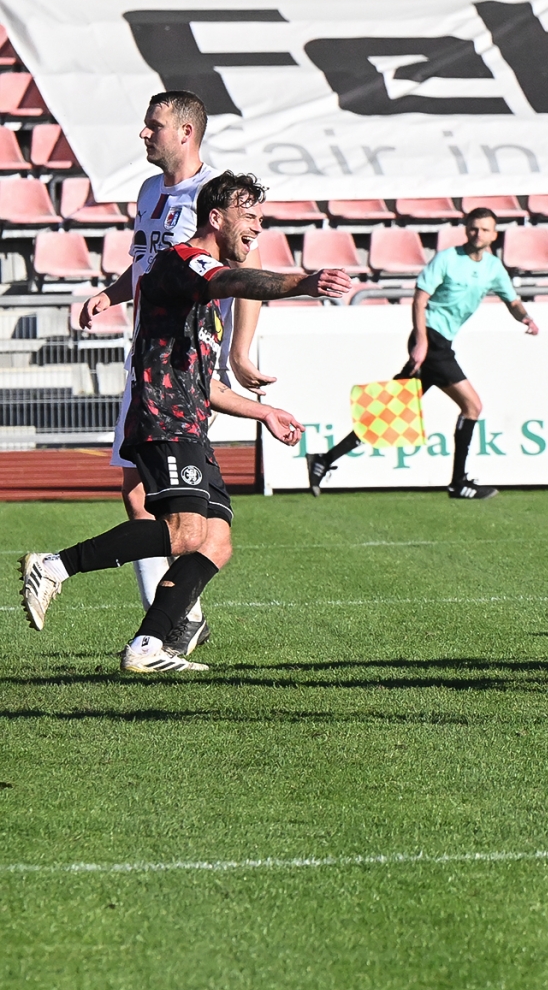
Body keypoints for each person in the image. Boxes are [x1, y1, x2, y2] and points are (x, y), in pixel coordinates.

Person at [20, 173, 349, 672]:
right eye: (249, 217)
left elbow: (205, 384)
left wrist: (264, 411)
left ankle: (148, 646)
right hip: (163, 419)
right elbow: (233, 281)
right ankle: (53, 566)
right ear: (215, 218)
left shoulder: (203, 299)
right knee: (184, 532)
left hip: (189, 422)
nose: (258, 227)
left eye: (261, 218)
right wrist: (300, 283)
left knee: (216, 541)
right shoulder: (183, 262)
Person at [75, 90, 272, 656]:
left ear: (185, 132)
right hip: (149, 355)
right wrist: (111, 294)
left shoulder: (216, 195)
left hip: (186, 362)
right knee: (141, 494)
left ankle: (168, 620)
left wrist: (240, 352)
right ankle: (178, 619)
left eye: (153, 125)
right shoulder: (148, 191)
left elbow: (249, 271)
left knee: (165, 504)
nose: (144, 133)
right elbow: (145, 265)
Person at [306, 208, 538, 500]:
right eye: (473, 228)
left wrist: (525, 318)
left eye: (484, 229)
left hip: (441, 343)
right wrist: (421, 342)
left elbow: (512, 301)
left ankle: (324, 459)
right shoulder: (448, 258)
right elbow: (420, 298)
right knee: (472, 406)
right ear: (466, 229)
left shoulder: (493, 267)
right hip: (431, 339)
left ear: (494, 234)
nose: (478, 233)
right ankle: (458, 482)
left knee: (390, 411)